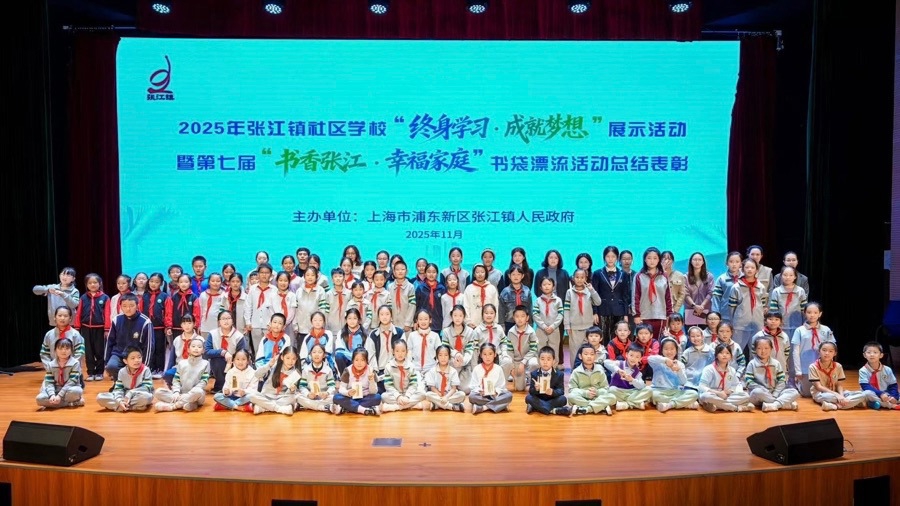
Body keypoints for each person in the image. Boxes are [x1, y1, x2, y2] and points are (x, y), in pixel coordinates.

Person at [809, 342, 874, 411]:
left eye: (830, 351)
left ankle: (834, 405)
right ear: (819, 351)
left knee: (863, 395)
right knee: (828, 397)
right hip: (821, 393)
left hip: (836, 391)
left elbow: (839, 385)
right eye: (824, 350)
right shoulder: (813, 367)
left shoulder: (838, 366)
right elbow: (818, 387)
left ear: (835, 353)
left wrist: (841, 396)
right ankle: (851, 403)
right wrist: (837, 395)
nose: (827, 353)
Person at [104, 293, 153, 383]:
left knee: (136, 376)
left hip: (136, 356)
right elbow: (110, 342)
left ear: (137, 306)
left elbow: (149, 346)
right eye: (124, 306)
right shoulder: (116, 320)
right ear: (121, 307)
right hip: (119, 354)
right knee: (111, 366)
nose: (128, 309)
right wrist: (106, 364)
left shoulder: (145, 322)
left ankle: (132, 385)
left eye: (131, 306)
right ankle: (118, 384)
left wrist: (145, 365)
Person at [154, 337, 210, 412]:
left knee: (198, 391)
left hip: (195, 395)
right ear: (188, 349)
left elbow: (203, 382)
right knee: (158, 392)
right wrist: (176, 392)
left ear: (203, 350)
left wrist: (189, 394)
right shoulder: (182, 363)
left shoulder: (206, 363)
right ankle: (190, 404)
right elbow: (176, 380)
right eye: (193, 346)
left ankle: (173, 406)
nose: (196, 348)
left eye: (199, 347)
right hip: (181, 394)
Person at [791, 302, 835, 397]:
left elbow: (832, 348)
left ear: (820, 314)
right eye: (809, 312)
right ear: (805, 313)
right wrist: (798, 370)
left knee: (824, 391)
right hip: (805, 367)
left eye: (815, 312)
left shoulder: (826, 329)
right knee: (807, 394)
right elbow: (795, 351)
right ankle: (797, 383)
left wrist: (831, 366)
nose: (812, 315)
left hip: (822, 367)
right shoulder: (799, 330)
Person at [745, 335, 799, 412]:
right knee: (757, 392)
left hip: (775, 392)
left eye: (766, 348)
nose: (763, 351)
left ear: (771, 349)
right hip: (760, 394)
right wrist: (765, 391)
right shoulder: (752, 364)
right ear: (755, 350)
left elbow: (781, 380)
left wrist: (775, 393)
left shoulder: (776, 363)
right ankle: (782, 404)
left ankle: (773, 405)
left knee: (794, 392)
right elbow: (749, 382)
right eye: (759, 348)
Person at [698, 343, 754, 412]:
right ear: (716, 355)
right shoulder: (709, 369)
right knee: (706, 397)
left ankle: (717, 406)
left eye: (727, 353)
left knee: (746, 396)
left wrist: (729, 391)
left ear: (731, 356)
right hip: (713, 394)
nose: (724, 355)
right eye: (721, 353)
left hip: (726, 396)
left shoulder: (732, 370)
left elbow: (735, 385)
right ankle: (736, 408)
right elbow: (701, 387)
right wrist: (718, 393)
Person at [727, 257, 768, 351]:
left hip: (757, 324)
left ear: (756, 270)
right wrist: (733, 322)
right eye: (747, 267)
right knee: (736, 350)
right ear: (742, 269)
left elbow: (763, 305)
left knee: (757, 350)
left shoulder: (761, 287)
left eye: (752, 267)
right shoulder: (736, 287)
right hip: (740, 325)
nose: (750, 270)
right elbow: (731, 308)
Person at [647, 337, 699, 412]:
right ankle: (684, 404)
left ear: (676, 350)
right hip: (659, 390)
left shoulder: (680, 364)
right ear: (662, 350)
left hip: (675, 391)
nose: (669, 352)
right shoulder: (658, 362)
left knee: (694, 394)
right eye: (666, 349)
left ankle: (670, 405)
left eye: (672, 349)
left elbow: (683, 382)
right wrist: (665, 360)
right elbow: (649, 358)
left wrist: (679, 371)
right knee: (652, 394)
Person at [74, 273, 109, 381]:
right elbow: (78, 313)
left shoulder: (105, 297)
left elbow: (107, 314)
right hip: (85, 328)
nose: (92, 285)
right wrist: (77, 327)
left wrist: (106, 329)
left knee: (99, 351)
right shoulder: (83, 297)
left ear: (100, 284)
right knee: (88, 351)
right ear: (86, 285)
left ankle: (99, 372)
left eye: (95, 282)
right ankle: (90, 372)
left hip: (99, 328)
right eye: (90, 283)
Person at [564, 268, 602, 370]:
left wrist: (592, 290)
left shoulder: (589, 291)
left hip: (588, 327)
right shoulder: (569, 292)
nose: (579, 279)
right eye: (577, 277)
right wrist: (567, 325)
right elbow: (566, 309)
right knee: (574, 351)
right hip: (574, 328)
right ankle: (574, 371)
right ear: (573, 278)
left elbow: (598, 302)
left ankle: (587, 370)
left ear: (586, 278)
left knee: (587, 351)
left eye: (582, 277)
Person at [96, 346, 154, 411]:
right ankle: (131, 407)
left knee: (146, 397)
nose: (137, 360)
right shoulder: (122, 371)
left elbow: (147, 388)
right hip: (124, 395)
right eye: (133, 358)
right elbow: (118, 389)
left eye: (139, 357)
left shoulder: (146, 370)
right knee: (100, 397)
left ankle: (121, 407)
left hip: (139, 394)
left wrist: (131, 393)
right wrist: (119, 400)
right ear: (125, 361)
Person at [592, 246, 629, 345]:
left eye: (613, 256)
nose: (610, 259)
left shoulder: (623, 274)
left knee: (617, 336)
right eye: (608, 256)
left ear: (617, 258)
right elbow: (594, 294)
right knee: (603, 335)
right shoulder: (597, 273)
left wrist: (626, 314)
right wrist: (595, 312)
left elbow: (625, 295)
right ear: (604, 258)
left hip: (619, 310)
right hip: (603, 309)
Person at [248, 346, 301, 415]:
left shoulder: (296, 373)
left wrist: (292, 390)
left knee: (294, 397)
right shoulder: (274, 366)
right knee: (252, 396)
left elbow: (290, 394)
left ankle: (264, 408)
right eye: (288, 358)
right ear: (282, 357)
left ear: (296, 359)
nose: (290, 361)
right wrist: (268, 365)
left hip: (281, 398)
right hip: (267, 396)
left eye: (293, 359)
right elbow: (257, 375)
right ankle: (279, 409)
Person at [632, 247, 671, 339]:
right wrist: (636, 315)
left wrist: (669, 314)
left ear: (659, 260)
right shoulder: (639, 276)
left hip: (660, 315)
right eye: (649, 258)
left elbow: (668, 297)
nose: (652, 261)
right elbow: (635, 297)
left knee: (658, 342)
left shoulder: (664, 276)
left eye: (655, 258)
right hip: (643, 315)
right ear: (645, 260)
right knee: (643, 341)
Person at [204, 311, 248, 392]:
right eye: (223, 319)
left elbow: (243, 354)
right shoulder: (212, 334)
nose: (226, 321)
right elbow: (207, 352)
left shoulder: (239, 336)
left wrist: (232, 360)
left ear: (232, 321)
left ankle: (233, 386)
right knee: (217, 360)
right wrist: (222, 352)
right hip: (218, 363)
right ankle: (220, 386)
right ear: (219, 322)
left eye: (228, 318)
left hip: (234, 363)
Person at [567, 343, 616, 416]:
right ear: (580, 356)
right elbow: (572, 389)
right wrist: (585, 393)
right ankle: (600, 408)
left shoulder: (600, 370)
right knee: (571, 397)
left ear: (595, 356)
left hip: (597, 397)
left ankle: (586, 409)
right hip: (583, 397)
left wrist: (597, 392)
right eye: (586, 354)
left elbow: (606, 388)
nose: (589, 356)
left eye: (592, 354)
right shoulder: (576, 371)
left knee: (612, 397)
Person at [165, 273, 200, 371]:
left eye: (186, 282)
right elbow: (169, 312)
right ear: (178, 284)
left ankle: (192, 369)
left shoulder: (194, 297)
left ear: (190, 283)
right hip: (176, 328)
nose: (183, 284)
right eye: (181, 282)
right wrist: (169, 326)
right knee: (177, 349)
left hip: (190, 329)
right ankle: (175, 368)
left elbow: (196, 313)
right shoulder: (173, 297)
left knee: (191, 347)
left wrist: (196, 326)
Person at [332, 347, 382, 416]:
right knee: (336, 397)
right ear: (352, 360)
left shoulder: (371, 370)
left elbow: (373, 392)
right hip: (350, 398)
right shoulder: (348, 370)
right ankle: (364, 409)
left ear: (366, 361)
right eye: (356, 360)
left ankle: (348, 408)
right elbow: (341, 388)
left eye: (362, 360)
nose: (359, 363)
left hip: (365, 397)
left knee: (377, 397)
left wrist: (372, 381)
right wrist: (348, 392)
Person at [36, 338, 84, 409]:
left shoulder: (75, 363)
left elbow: (71, 382)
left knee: (75, 391)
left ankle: (55, 403)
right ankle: (72, 403)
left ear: (71, 350)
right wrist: (52, 395)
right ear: (55, 350)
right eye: (60, 348)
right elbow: (49, 382)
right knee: (39, 399)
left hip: (69, 389)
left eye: (67, 349)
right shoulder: (50, 364)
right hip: (56, 389)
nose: (64, 351)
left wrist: (59, 396)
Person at [381, 339, 427, 412]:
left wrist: (407, 396)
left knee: (423, 394)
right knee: (384, 396)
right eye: (397, 351)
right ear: (393, 352)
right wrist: (398, 396)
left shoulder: (411, 366)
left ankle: (396, 407)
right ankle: (411, 405)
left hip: (408, 394)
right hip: (395, 395)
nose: (400, 354)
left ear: (406, 352)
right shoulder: (388, 367)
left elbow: (413, 384)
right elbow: (388, 385)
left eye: (403, 351)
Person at [604, 344, 653, 410]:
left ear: (640, 359)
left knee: (649, 389)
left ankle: (626, 404)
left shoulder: (638, 373)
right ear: (626, 354)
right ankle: (635, 403)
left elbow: (641, 386)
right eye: (631, 355)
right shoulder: (619, 364)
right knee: (611, 389)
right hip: (619, 391)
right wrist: (618, 370)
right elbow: (605, 362)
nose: (633, 359)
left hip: (632, 392)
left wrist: (632, 380)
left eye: (637, 357)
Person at [243, 262, 277, 358]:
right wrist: (248, 321)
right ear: (258, 274)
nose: (264, 275)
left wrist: (273, 323)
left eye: (267, 273)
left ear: (271, 275)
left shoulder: (274, 290)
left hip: (269, 326)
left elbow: (276, 309)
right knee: (257, 350)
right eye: (262, 272)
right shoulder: (253, 289)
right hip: (255, 325)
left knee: (269, 349)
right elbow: (248, 306)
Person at [469, 342, 513, 414]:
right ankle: (500, 405)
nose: (487, 357)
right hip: (482, 396)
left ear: (495, 354)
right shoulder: (477, 368)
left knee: (509, 395)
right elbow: (473, 386)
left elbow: (501, 386)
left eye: (490, 354)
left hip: (494, 395)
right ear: (481, 355)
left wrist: (495, 392)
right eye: (485, 354)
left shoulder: (498, 368)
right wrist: (480, 391)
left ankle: (484, 407)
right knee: (472, 397)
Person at [440, 305, 476, 393]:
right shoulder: (445, 331)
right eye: (455, 315)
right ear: (451, 316)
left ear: (464, 317)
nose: (457, 318)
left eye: (460, 315)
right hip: (451, 364)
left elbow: (469, 350)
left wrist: (463, 361)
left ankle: (458, 386)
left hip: (465, 365)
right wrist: (456, 354)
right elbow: (446, 349)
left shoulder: (470, 332)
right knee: (446, 389)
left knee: (466, 389)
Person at [524, 346, 569, 416]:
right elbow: (531, 391)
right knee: (528, 398)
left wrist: (553, 392)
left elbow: (561, 391)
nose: (545, 362)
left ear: (553, 361)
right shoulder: (534, 373)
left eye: (548, 359)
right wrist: (536, 389)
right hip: (539, 398)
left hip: (552, 399)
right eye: (542, 359)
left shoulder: (559, 374)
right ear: (539, 360)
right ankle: (554, 410)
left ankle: (536, 408)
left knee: (563, 399)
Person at [472, 304, 512, 379]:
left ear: (495, 315)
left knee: (507, 361)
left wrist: (504, 353)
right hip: (484, 357)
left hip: (497, 356)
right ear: (482, 315)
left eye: (491, 313)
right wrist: (475, 365)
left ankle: (502, 382)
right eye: (486, 313)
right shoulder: (477, 330)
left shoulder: (499, 328)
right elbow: (475, 348)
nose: (489, 315)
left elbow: (504, 342)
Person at [768, 266, 807, 340]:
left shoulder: (800, 291)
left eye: (791, 275)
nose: (788, 277)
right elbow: (774, 311)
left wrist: (805, 323)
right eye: (785, 275)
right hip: (781, 326)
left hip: (797, 325)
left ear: (795, 277)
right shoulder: (777, 291)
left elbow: (804, 310)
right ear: (781, 276)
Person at [532, 276, 564, 368]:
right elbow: (535, 314)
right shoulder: (538, 301)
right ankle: (540, 369)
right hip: (541, 329)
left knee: (554, 349)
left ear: (553, 287)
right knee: (540, 348)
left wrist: (553, 326)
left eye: (549, 284)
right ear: (540, 287)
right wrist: (543, 326)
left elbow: (560, 314)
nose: (546, 286)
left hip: (554, 329)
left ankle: (553, 369)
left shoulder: (558, 300)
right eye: (544, 284)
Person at [296, 343, 337, 413]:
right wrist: (308, 394)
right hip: (310, 396)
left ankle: (310, 406)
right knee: (297, 397)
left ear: (324, 355)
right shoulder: (306, 369)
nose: (317, 354)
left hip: (323, 397)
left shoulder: (328, 370)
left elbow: (332, 386)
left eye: (320, 352)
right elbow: (302, 386)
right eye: (314, 352)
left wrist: (326, 393)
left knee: (334, 397)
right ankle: (324, 407)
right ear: (310, 355)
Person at [424, 344, 466, 412]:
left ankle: (437, 405)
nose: (443, 358)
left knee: (462, 395)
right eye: (440, 355)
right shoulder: (432, 371)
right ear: (437, 357)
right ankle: (451, 407)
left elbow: (454, 388)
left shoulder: (453, 371)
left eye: (446, 355)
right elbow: (432, 388)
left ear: (449, 357)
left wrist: (446, 397)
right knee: (428, 395)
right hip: (438, 394)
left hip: (450, 395)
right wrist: (440, 395)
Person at [143, 273, 170, 379]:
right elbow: (140, 311)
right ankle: (151, 368)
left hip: (160, 328)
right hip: (147, 327)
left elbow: (168, 312)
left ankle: (160, 369)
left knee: (159, 349)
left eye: (157, 282)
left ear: (161, 283)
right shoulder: (145, 296)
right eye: (152, 281)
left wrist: (168, 326)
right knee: (150, 349)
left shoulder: (164, 296)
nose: (153, 284)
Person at [859, 341, 900, 410]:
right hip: (872, 393)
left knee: (896, 394)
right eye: (869, 352)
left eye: (875, 352)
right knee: (866, 394)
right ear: (864, 355)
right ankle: (890, 405)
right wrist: (880, 394)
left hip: (886, 393)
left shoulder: (887, 369)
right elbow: (865, 386)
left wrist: (894, 397)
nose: (872, 355)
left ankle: (874, 403)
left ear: (881, 355)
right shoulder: (863, 370)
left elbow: (893, 385)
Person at [507, 305, 539, 391]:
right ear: (513, 318)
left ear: (527, 318)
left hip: (528, 359)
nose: (520, 319)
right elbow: (509, 351)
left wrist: (523, 362)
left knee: (534, 363)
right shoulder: (510, 332)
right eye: (517, 316)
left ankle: (530, 379)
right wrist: (512, 367)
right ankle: (521, 379)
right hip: (517, 360)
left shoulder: (531, 332)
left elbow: (533, 349)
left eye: (522, 316)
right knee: (519, 388)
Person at [334, 308, 373, 375]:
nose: (352, 321)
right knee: (339, 356)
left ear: (359, 320)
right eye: (349, 318)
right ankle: (344, 377)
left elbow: (367, 352)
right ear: (346, 320)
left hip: (360, 360)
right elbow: (339, 350)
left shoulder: (364, 334)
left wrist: (357, 358)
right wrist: (353, 357)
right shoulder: (341, 333)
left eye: (355, 318)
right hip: (347, 360)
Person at [295, 266, 328, 344]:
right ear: (304, 276)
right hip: (301, 328)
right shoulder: (299, 291)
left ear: (317, 277)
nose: (310, 277)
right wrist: (295, 325)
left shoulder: (320, 291)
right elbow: (296, 309)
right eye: (307, 275)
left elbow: (323, 310)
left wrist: (320, 324)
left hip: (316, 328)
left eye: (312, 275)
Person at [164, 314, 199, 387]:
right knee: (168, 374)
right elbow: (172, 359)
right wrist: (168, 371)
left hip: (194, 368)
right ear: (181, 325)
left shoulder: (199, 340)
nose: (187, 326)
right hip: (179, 367)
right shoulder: (177, 340)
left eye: (189, 323)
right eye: (184, 323)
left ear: (194, 324)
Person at [751, 311, 790, 375]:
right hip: (762, 367)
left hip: (780, 367)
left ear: (781, 322)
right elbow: (753, 352)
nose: (773, 321)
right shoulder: (759, 336)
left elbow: (786, 352)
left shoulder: (784, 336)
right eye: (770, 319)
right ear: (765, 321)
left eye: (776, 319)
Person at [406, 309, 441, 378]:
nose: (423, 321)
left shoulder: (435, 336)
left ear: (430, 320)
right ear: (417, 321)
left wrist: (437, 367)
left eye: (426, 319)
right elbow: (409, 352)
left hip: (431, 368)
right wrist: (410, 366)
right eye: (420, 319)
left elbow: (439, 352)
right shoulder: (412, 335)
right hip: (415, 368)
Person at [683, 252, 714, 327]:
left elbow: (710, 293)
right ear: (691, 261)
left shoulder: (709, 276)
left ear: (703, 262)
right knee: (691, 333)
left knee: (705, 333)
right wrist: (694, 306)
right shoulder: (685, 277)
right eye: (695, 259)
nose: (697, 262)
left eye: (699, 260)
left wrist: (702, 306)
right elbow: (685, 294)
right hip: (690, 311)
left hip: (705, 310)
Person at [463, 264, 499, 328]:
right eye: (477, 272)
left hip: (489, 324)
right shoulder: (469, 288)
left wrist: (495, 321)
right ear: (474, 274)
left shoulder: (491, 288)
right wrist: (468, 322)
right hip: (473, 324)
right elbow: (466, 305)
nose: (480, 274)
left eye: (482, 272)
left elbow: (495, 305)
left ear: (486, 273)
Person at [498, 266, 533, 332]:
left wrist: (530, 323)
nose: (516, 277)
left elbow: (529, 308)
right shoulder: (505, 292)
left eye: (518, 274)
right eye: (513, 274)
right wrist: (501, 324)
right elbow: (501, 310)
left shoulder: (527, 291)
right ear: (509, 276)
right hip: (509, 322)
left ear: (522, 276)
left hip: (524, 322)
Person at [680, 326, 714, 391]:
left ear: (702, 337)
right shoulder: (687, 352)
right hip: (689, 382)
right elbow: (681, 366)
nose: (695, 338)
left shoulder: (710, 351)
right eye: (692, 336)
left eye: (698, 336)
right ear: (689, 338)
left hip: (706, 382)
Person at [711, 251, 742, 321]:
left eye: (737, 262)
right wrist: (716, 314)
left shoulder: (745, 278)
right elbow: (716, 298)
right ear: (727, 263)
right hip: (725, 315)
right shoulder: (721, 279)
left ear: (741, 264)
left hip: (742, 316)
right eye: (731, 261)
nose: (734, 264)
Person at [415, 263, 446, 331]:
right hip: (423, 322)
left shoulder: (442, 288)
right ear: (425, 273)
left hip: (437, 322)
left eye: (434, 272)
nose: (431, 274)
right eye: (429, 272)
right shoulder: (420, 288)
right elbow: (416, 306)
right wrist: (415, 321)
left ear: (437, 274)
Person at [388, 260, 416, 332]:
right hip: (392, 323)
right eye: (397, 270)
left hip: (406, 324)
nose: (400, 271)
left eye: (402, 269)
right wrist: (389, 320)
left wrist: (408, 323)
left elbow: (412, 306)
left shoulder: (410, 287)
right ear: (394, 272)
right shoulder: (390, 287)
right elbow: (388, 305)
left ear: (406, 271)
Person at [195, 272, 226, 337]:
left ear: (221, 283)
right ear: (209, 282)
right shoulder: (203, 295)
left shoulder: (224, 295)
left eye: (218, 281)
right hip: (204, 327)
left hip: (219, 327)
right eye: (213, 281)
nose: (215, 283)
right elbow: (199, 311)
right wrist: (199, 325)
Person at [273, 271, 298, 342]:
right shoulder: (273, 295)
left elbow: (292, 312)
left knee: (289, 343)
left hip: (289, 324)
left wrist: (284, 323)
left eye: (285, 281)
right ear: (276, 281)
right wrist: (277, 323)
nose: (283, 283)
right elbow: (271, 310)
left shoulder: (292, 295)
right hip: (275, 325)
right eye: (280, 280)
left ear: (289, 282)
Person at [660, 250, 686, 315]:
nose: (667, 261)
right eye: (664, 259)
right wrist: (663, 270)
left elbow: (682, 294)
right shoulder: (657, 275)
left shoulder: (679, 275)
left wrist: (676, 309)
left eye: (669, 259)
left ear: (673, 261)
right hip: (659, 308)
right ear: (660, 261)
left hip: (673, 308)